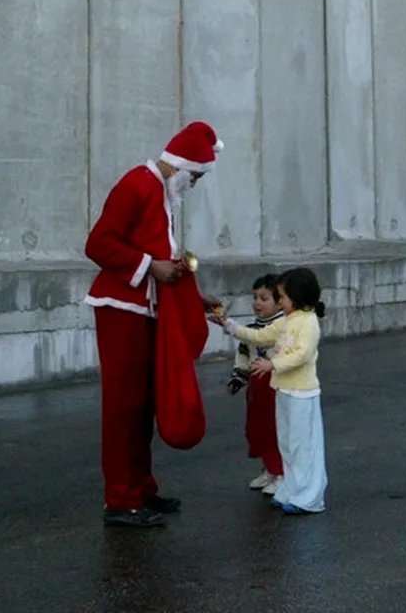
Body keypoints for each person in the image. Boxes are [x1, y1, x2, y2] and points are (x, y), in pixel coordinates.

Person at [84, 121, 224, 528]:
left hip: (142, 308)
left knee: (143, 404)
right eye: (194, 176)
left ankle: (140, 488)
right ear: (182, 167)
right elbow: (98, 244)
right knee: (124, 407)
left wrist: (194, 300)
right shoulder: (137, 184)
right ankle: (121, 499)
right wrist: (149, 267)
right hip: (119, 309)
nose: (193, 185)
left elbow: (158, 262)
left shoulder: (159, 192)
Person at [213, 267, 328, 515]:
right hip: (284, 391)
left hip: (301, 393)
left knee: (301, 447)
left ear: (296, 298)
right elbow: (260, 336)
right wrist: (230, 326)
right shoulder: (287, 320)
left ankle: (309, 497)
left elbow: (302, 354)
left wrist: (272, 364)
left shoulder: (308, 323)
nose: (281, 301)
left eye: (283, 297)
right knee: (286, 444)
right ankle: (289, 489)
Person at [226, 274, 285, 495]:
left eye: (264, 298)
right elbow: (243, 355)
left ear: (280, 301)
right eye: (255, 297)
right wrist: (238, 378)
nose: (257, 303)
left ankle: (281, 473)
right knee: (257, 429)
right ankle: (268, 470)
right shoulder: (251, 328)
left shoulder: (282, 326)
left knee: (275, 429)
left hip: (275, 386)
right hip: (256, 387)